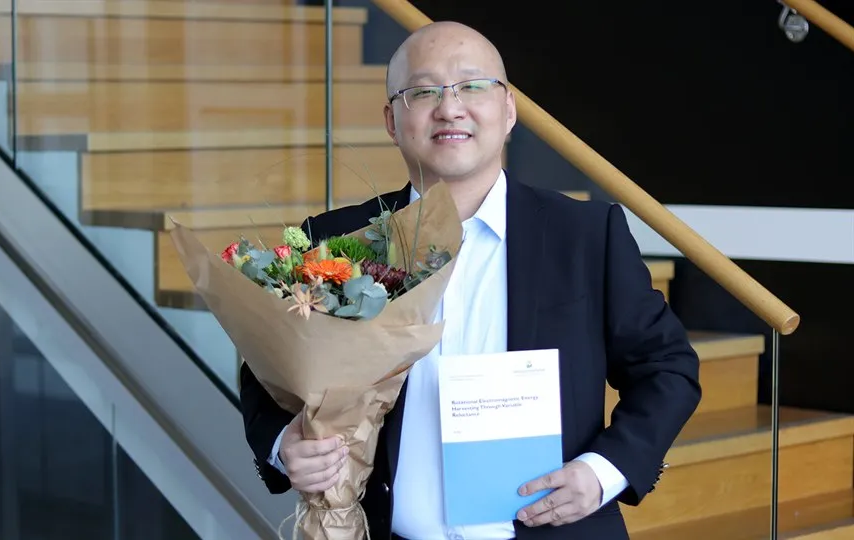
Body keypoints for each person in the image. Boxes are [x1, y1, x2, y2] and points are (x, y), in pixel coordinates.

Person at [239, 20, 701, 540]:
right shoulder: (335, 242)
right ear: (392, 120)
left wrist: (603, 472)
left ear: (509, 110)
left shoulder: (587, 236)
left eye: (472, 86)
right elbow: (267, 373)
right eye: (424, 91)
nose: (450, 108)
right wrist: (283, 446)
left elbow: (667, 369)